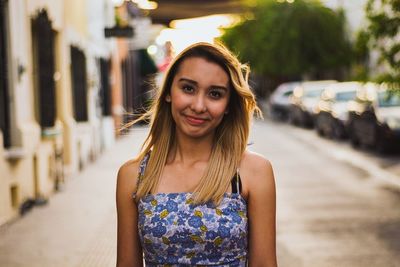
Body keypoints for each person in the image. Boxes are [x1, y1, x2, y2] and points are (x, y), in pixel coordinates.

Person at [116, 42, 277, 266]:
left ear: (228, 104)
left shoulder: (253, 172)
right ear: (169, 93)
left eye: (215, 94)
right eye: (188, 89)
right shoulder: (134, 176)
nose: (199, 106)